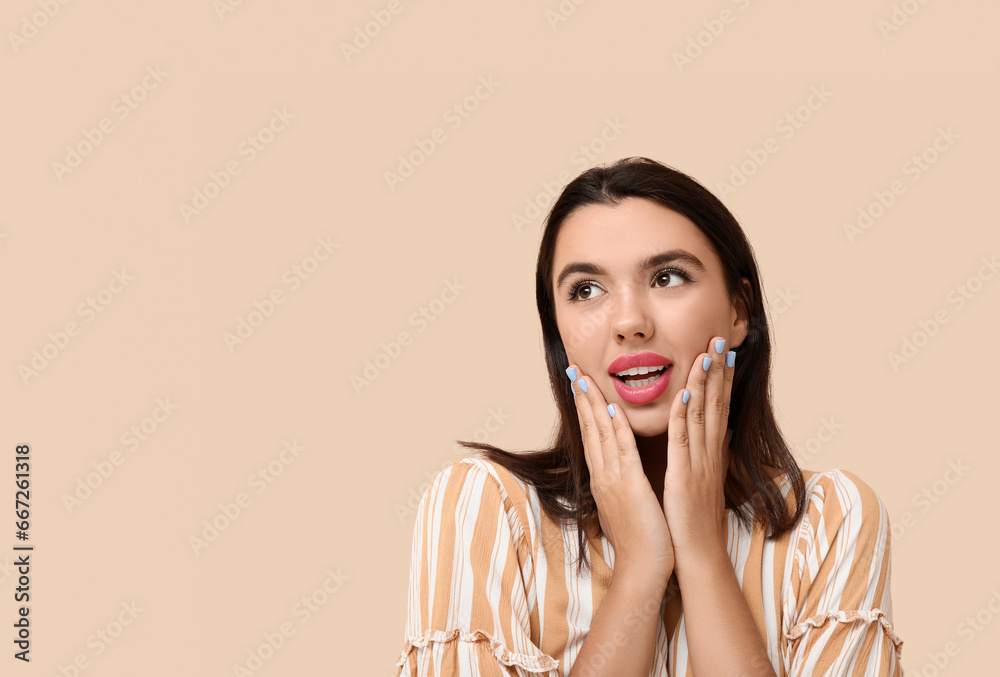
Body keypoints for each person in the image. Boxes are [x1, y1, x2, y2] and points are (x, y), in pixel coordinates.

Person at [394, 157, 904, 676]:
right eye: (586, 290)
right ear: (559, 333)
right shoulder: (485, 507)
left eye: (667, 277)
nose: (629, 322)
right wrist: (641, 566)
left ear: (739, 310)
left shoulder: (831, 522)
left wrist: (703, 552)